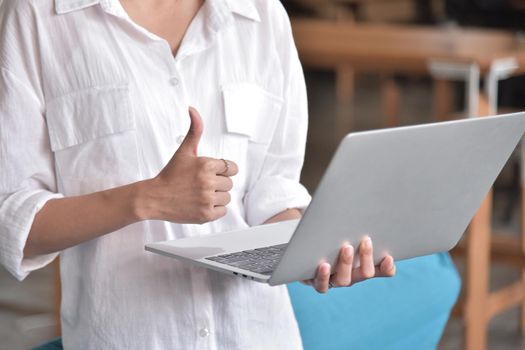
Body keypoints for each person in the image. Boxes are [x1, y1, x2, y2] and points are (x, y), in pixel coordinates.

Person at [0, 0, 396, 348]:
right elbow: (13, 222)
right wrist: (147, 198)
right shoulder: (37, 16)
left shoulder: (262, 15)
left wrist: (315, 254)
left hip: (260, 336)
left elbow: (272, 191)